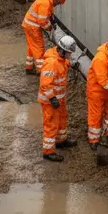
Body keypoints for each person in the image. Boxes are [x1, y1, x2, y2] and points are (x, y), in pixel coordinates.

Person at [39, 34, 78, 162]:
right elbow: (45, 85)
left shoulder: (60, 58)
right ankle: (48, 151)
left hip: (59, 99)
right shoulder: (51, 63)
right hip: (50, 101)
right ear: (61, 51)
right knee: (51, 124)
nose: (70, 55)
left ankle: (61, 141)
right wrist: (52, 99)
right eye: (68, 53)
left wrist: (70, 65)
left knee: (62, 119)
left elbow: (63, 64)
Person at [22, 0, 67, 74]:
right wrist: (50, 28)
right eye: (58, 3)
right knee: (39, 48)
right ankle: (41, 70)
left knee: (32, 46)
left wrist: (52, 19)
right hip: (33, 27)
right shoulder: (45, 3)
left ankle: (29, 67)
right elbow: (42, 22)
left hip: (28, 25)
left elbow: (49, 13)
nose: (57, 5)